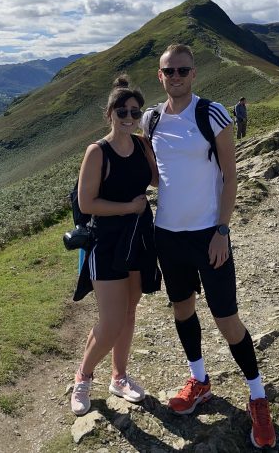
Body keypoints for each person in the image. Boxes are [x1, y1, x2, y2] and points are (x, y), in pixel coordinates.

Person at [142, 44, 276, 448]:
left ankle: (258, 397)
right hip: (167, 234)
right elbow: (157, 176)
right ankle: (198, 380)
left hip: (208, 235)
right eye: (170, 71)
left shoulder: (211, 113)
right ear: (160, 74)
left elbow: (231, 177)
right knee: (182, 308)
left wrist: (222, 230)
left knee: (226, 318)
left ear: (194, 74)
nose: (176, 76)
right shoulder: (150, 120)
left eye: (183, 70)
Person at [70, 76, 161, 416]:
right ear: (109, 113)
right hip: (107, 242)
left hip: (138, 237)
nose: (129, 117)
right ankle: (83, 377)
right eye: (122, 111)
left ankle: (119, 377)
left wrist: (154, 140)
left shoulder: (140, 145)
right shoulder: (97, 152)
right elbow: (87, 203)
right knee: (110, 322)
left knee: (128, 313)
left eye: (135, 112)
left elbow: (156, 180)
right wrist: (127, 207)